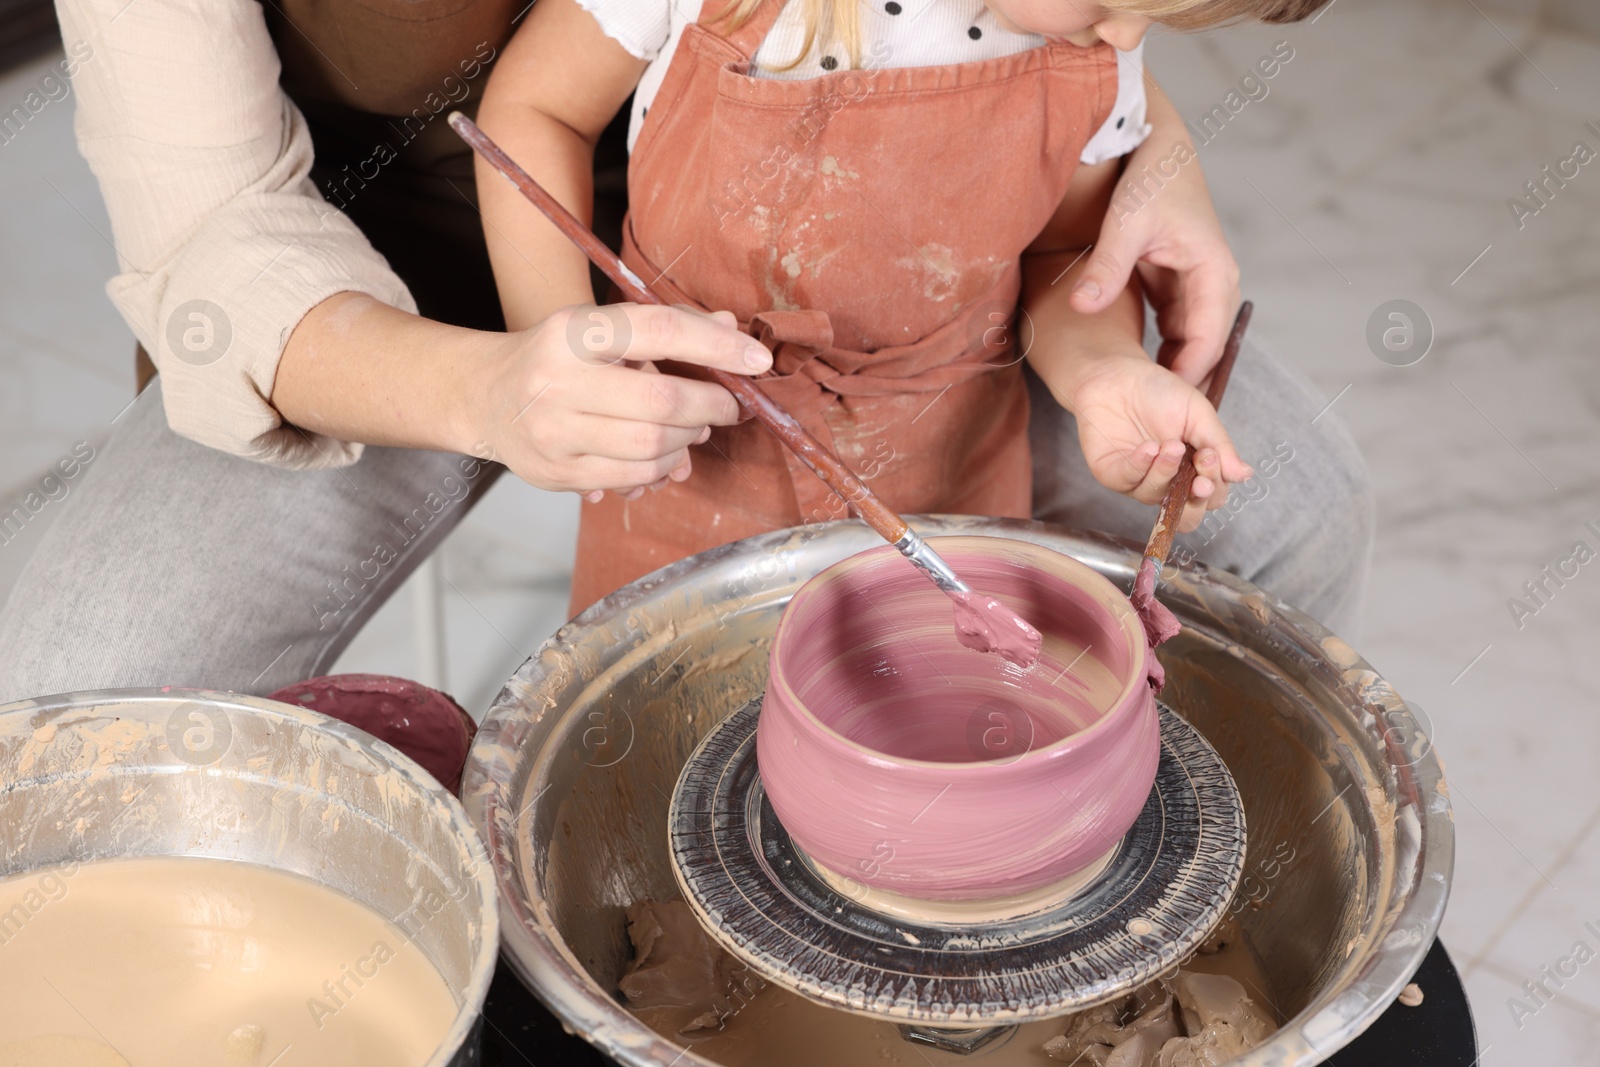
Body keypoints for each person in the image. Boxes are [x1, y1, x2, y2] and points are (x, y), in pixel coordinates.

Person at [0, 0, 1367, 705]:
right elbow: (211, 236)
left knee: (1286, 515)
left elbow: (1057, 74)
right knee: (66, 688)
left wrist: (1148, 149)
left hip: (871, 279)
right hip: (385, 262)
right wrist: (510, 378)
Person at [471, 0, 1371, 616]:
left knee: (919, 767)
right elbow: (536, 111)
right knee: (676, 765)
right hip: (690, 464)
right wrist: (561, 343)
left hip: (952, 466)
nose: (1129, 30)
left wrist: (1104, 370)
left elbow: (1062, 250)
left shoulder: (1088, 43)